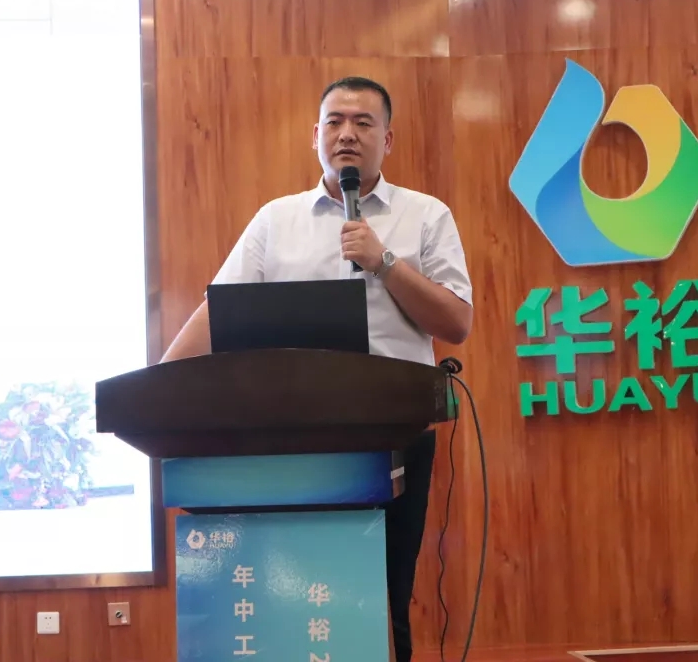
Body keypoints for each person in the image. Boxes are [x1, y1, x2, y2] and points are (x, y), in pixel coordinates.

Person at [160, 76, 473, 661]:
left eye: (363, 122)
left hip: (395, 432)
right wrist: (159, 380)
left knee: (386, 594)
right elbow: (218, 311)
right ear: (315, 136)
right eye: (335, 121)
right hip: (290, 436)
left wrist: (384, 262)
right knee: (295, 593)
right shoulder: (275, 220)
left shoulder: (426, 216)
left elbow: (456, 322)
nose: (347, 134)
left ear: (387, 138)